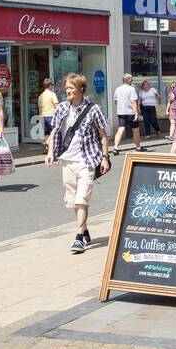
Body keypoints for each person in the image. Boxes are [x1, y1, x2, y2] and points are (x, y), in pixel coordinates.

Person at [45, 73, 111, 254]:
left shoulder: (93, 109)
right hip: (67, 160)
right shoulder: (62, 108)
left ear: (80, 89)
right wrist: (50, 153)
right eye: (66, 88)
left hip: (87, 160)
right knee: (74, 201)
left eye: (71, 88)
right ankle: (85, 230)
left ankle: (79, 236)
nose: (67, 91)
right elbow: (54, 132)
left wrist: (105, 157)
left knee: (82, 199)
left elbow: (103, 135)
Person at [111, 73, 140, 153]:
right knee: (136, 130)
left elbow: (116, 101)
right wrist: (136, 113)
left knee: (120, 130)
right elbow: (133, 101)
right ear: (128, 80)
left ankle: (116, 147)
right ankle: (138, 147)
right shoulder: (132, 89)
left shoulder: (117, 89)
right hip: (131, 113)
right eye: (131, 79)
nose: (132, 80)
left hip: (121, 113)